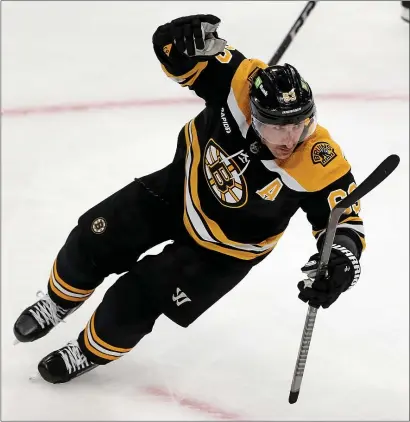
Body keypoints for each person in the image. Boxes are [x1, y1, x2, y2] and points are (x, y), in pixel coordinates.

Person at [13, 15, 365, 384]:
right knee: (92, 238)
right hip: (175, 191)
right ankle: (58, 302)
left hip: (222, 251)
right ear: (256, 115)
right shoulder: (240, 84)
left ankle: (86, 352)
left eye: (299, 124)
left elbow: (344, 223)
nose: (290, 139)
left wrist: (340, 262)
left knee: (134, 300)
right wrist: (174, 41)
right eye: (278, 126)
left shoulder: (319, 159)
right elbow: (181, 58)